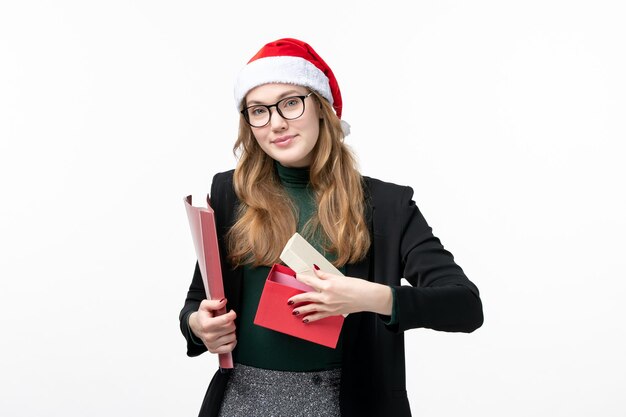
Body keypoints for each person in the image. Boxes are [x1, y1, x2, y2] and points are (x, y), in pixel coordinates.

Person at [179, 38, 483, 417]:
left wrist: (369, 297)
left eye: (290, 102)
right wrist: (199, 325)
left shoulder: (387, 206)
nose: (276, 123)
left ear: (322, 108)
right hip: (241, 401)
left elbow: (465, 306)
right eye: (258, 111)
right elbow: (198, 299)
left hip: (342, 403)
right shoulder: (229, 193)